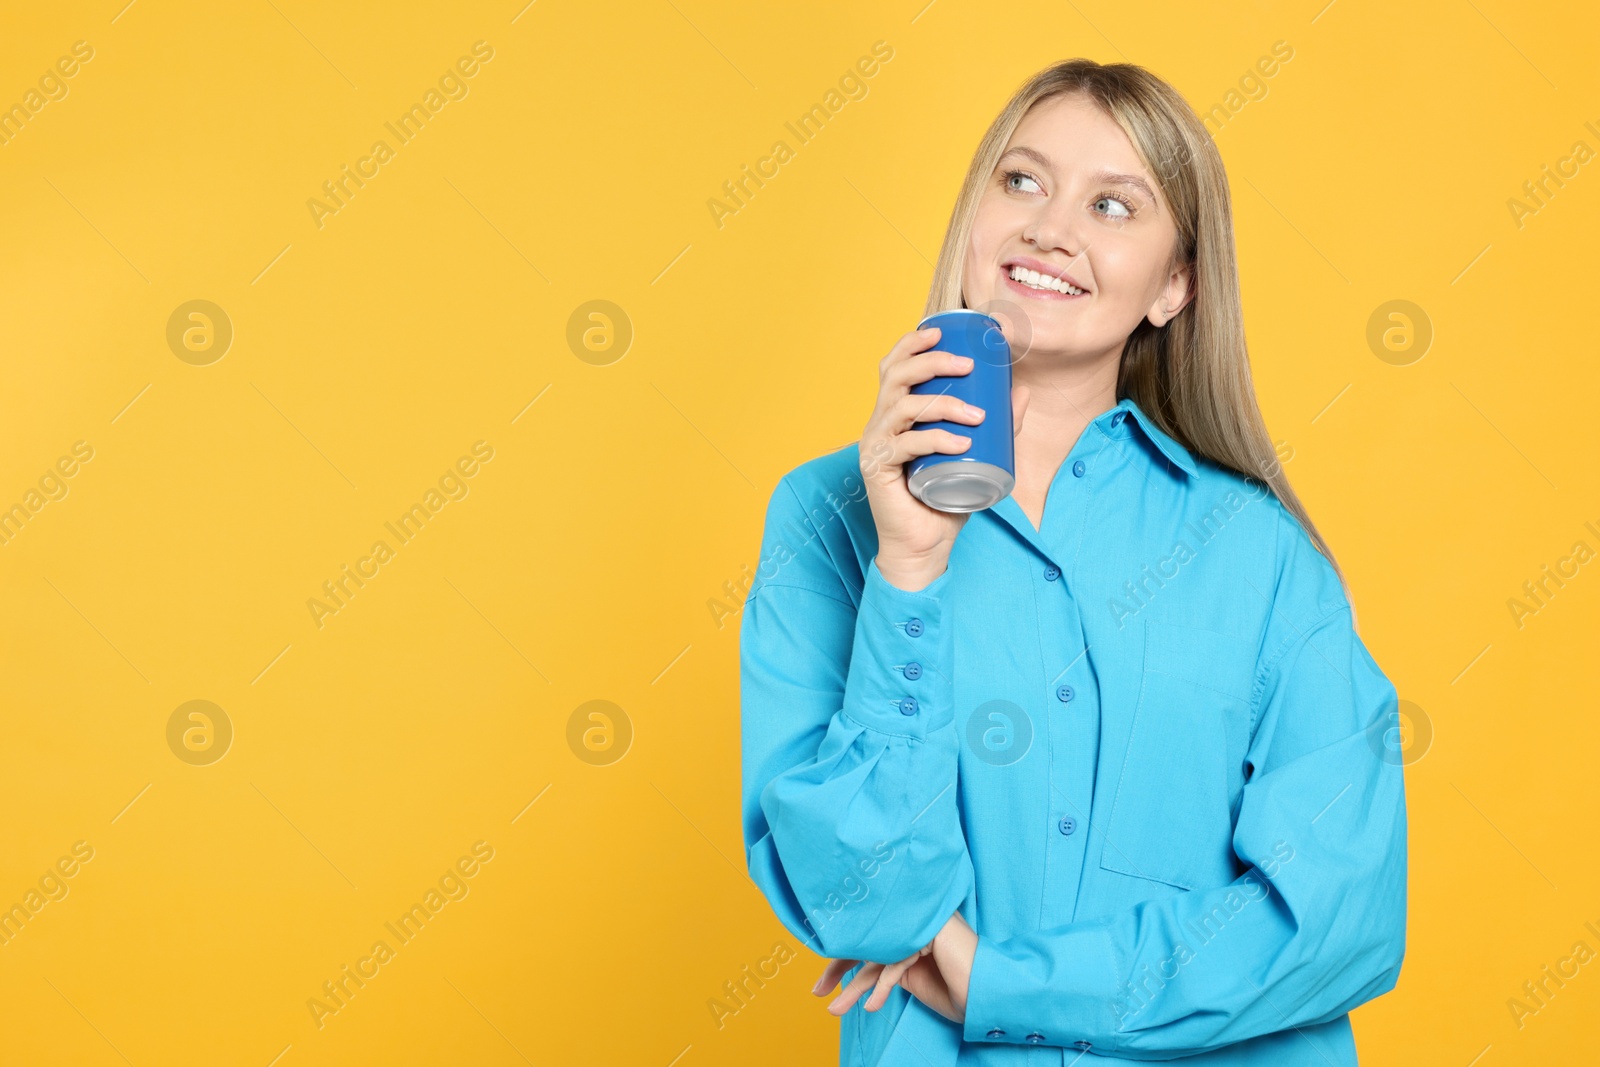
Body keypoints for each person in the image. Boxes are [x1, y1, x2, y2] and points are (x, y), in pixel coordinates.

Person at [739, 58, 1407, 1067]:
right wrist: (909, 568)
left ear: (1175, 284)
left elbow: (1337, 913)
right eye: (1020, 181)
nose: (1050, 227)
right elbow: (857, 899)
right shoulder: (828, 517)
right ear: (972, 216)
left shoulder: (1262, 556)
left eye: (1111, 204)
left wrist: (1005, 982)